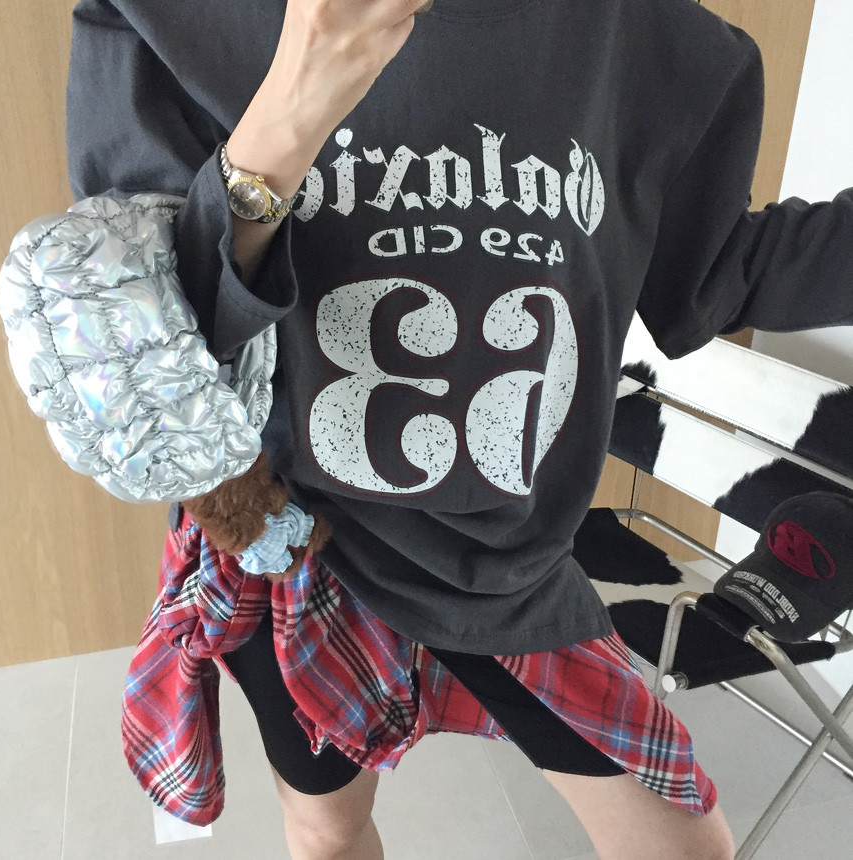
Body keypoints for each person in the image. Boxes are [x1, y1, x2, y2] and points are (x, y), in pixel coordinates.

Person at [59, 0, 853, 858]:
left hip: (510, 567)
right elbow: (145, 345)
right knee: (327, 829)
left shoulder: (659, 43)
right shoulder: (159, 19)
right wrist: (287, 111)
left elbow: (715, 274)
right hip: (300, 545)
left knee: (684, 843)